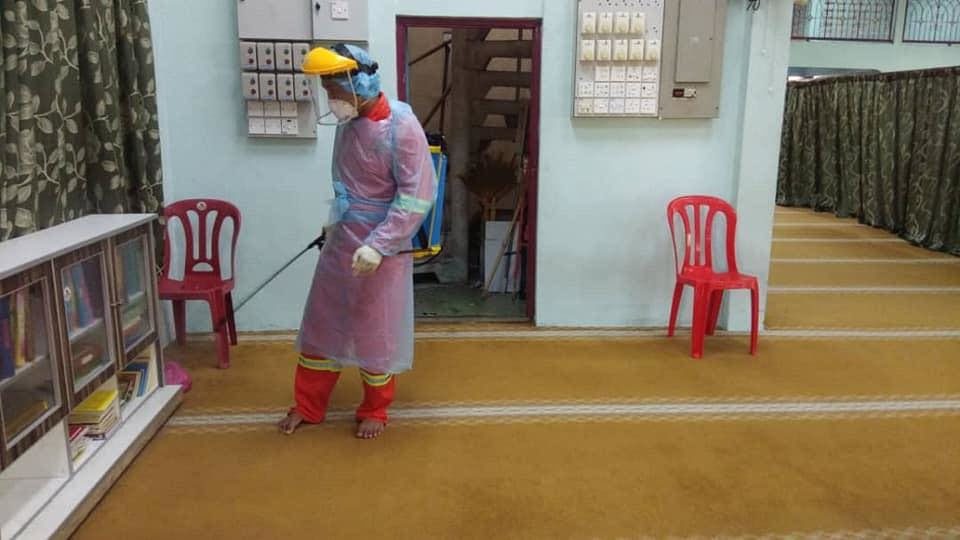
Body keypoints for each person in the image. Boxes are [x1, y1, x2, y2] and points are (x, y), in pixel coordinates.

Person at [278, 44, 437, 439]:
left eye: (336, 93)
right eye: (328, 94)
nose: (332, 102)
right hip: (343, 240)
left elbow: (416, 196)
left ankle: (376, 410)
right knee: (323, 324)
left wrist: (379, 245)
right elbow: (347, 187)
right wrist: (334, 224)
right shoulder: (349, 125)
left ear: (361, 84)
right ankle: (308, 405)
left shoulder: (401, 126)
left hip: (382, 248)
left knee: (374, 329)